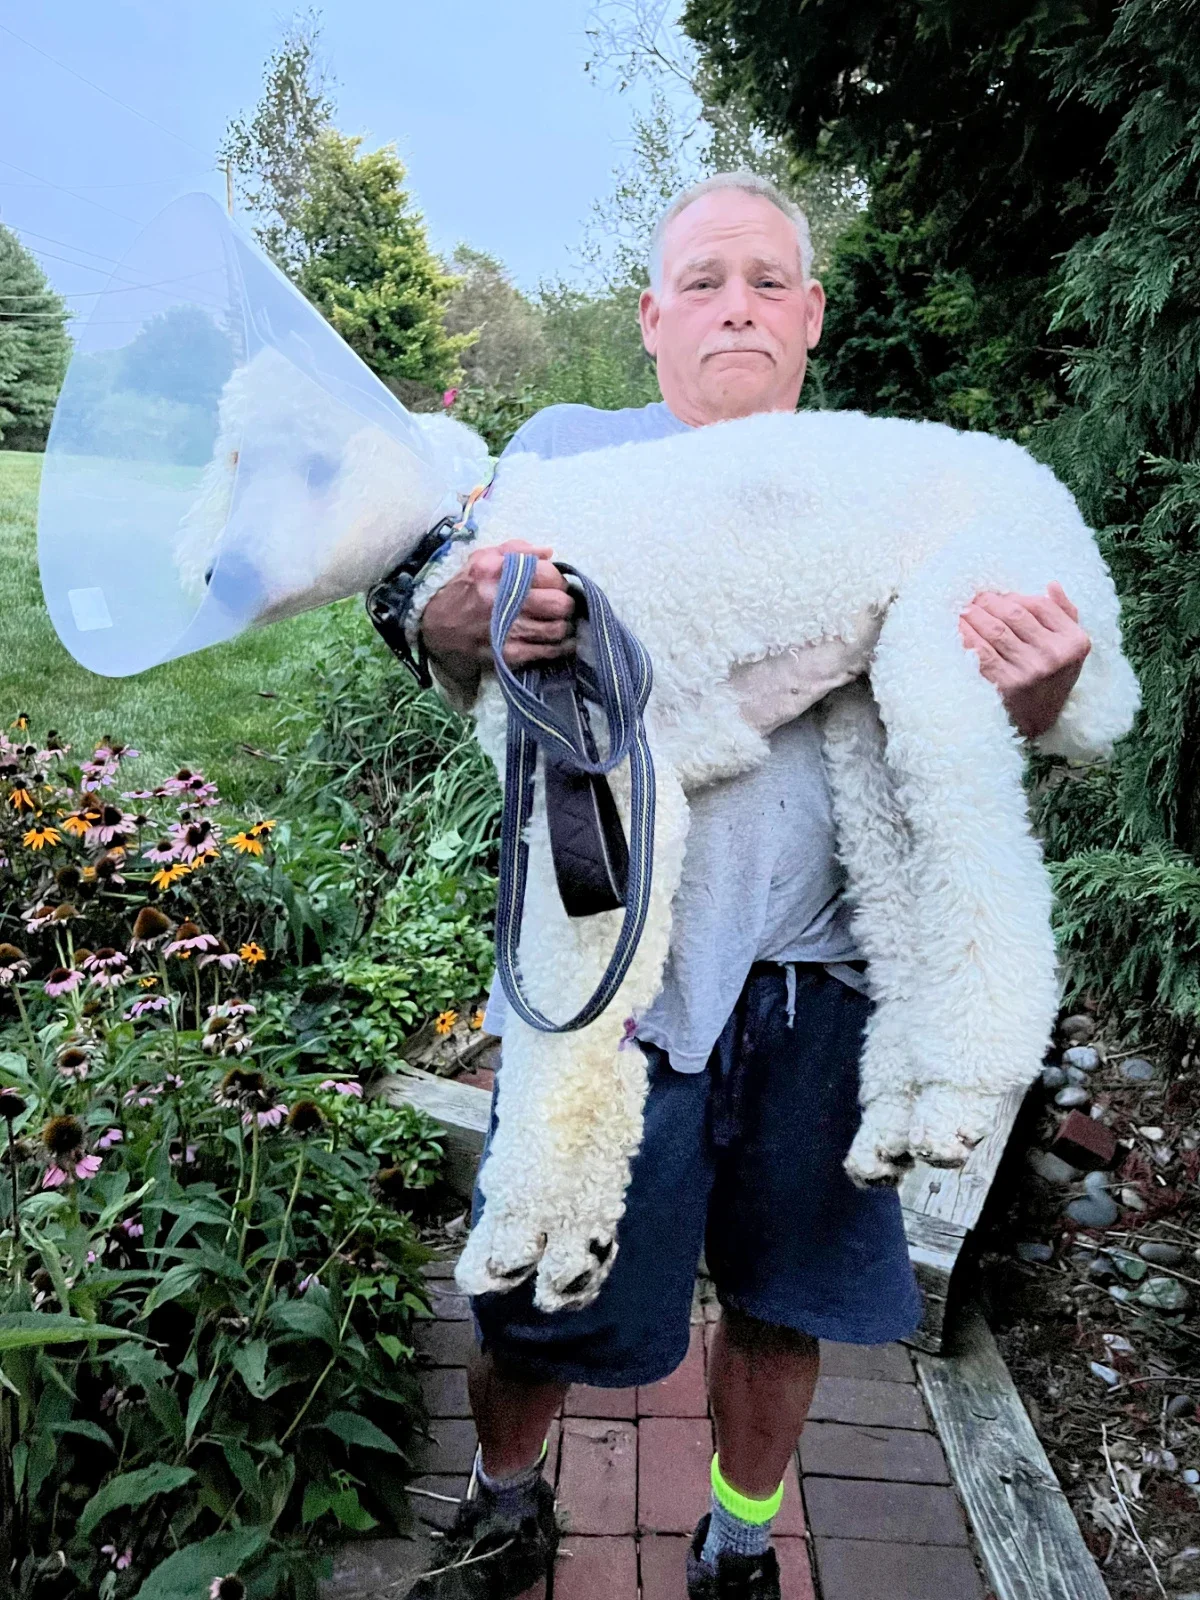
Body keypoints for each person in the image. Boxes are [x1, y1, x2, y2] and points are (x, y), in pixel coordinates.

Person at [408, 172, 1092, 1600]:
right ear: (651, 318)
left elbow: (985, 728)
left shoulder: (913, 484)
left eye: (768, 280)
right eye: (704, 280)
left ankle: (735, 1541)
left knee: (786, 1308)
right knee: (539, 1299)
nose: (737, 303)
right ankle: (502, 1500)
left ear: (811, 317)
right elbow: (412, 594)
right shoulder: (568, 458)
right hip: (620, 985)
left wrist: (1039, 694)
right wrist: (449, 612)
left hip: (829, 991)